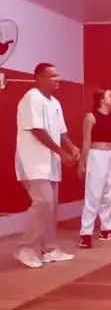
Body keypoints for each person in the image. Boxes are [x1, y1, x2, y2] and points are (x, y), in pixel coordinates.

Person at [14, 62, 80, 268]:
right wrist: (61, 153)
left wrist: (71, 147)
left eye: (57, 75)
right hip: (32, 162)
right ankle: (25, 248)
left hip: (51, 164)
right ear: (39, 78)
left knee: (50, 207)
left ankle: (49, 249)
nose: (57, 79)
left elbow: (61, 131)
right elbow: (37, 130)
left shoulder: (55, 103)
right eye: (52, 76)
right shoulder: (32, 97)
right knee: (43, 202)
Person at [77, 89, 111, 248]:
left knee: (109, 194)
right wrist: (82, 162)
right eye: (110, 95)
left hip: (110, 155)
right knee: (93, 194)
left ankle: (107, 229)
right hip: (96, 155)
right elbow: (86, 142)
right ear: (102, 100)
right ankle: (85, 233)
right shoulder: (90, 117)